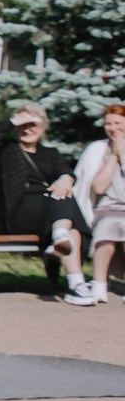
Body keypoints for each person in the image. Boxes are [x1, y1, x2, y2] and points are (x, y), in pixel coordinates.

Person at [0, 101, 89, 300]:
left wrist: (66, 179)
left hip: (51, 211)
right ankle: (61, 241)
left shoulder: (50, 154)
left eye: (33, 124)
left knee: (63, 199)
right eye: (22, 125)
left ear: (43, 127)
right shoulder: (5, 151)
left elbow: (65, 170)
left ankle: (77, 284)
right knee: (62, 204)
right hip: (19, 210)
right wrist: (12, 121)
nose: (27, 129)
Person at [73, 101, 125, 304]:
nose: (113, 128)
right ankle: (99, 284)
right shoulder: (97, 149)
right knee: (108, 224)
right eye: (109, 124)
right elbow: (99, 188)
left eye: (118, 123)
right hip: (106, 208)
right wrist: (114, 156)